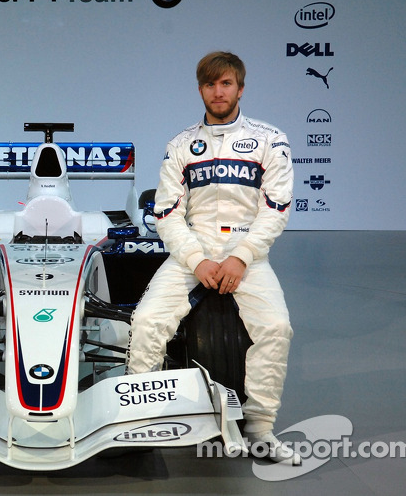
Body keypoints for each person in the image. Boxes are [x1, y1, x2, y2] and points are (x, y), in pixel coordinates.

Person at [125, 51, 300, 465]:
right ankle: (136, 419)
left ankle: (260, 428)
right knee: (146, 321)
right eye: (210, 84)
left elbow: (275, 208)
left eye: (226, 84)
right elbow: (166, 213)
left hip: (248, 254)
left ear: (240, 88)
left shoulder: (270, 140)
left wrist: (241, 257)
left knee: (276, 328)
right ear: (200, 89)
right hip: (193, 252)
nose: (218, 92)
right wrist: (196, 259)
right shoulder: (181, 144)